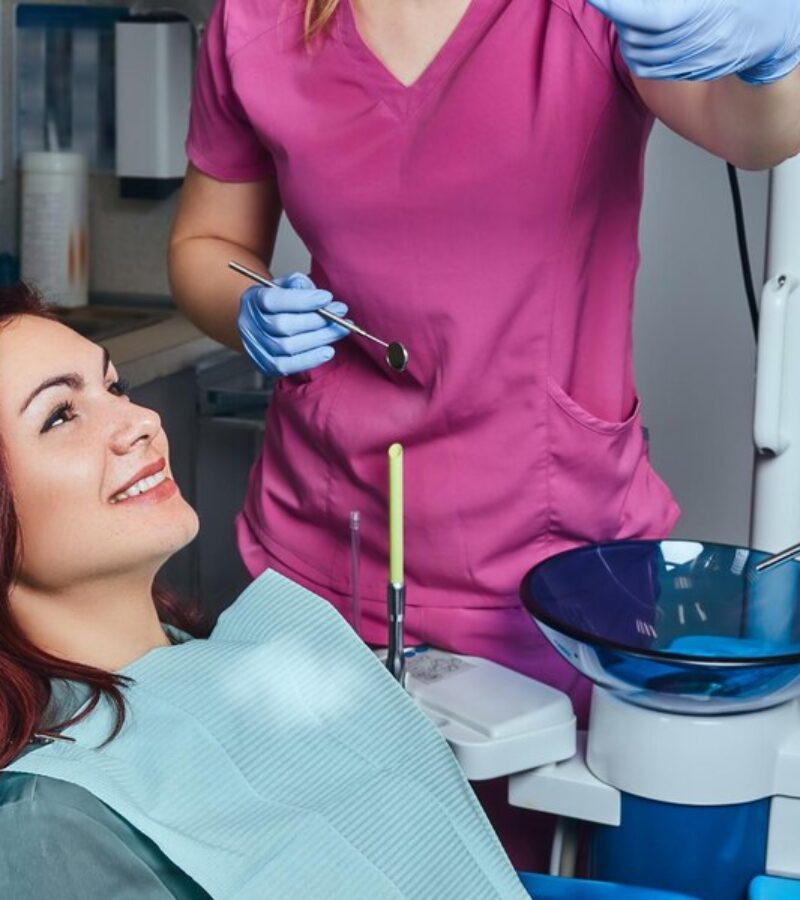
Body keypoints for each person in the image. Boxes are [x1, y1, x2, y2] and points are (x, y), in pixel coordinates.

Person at [167, 0, 800, 867]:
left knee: (528, 870)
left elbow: (753, 134)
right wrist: (244, 304)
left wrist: (776, 63)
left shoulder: (581, 12)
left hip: (548, 570)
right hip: (326, 550)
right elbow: (207, 240)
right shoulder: (260, 20)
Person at [0, 284, 530, 898]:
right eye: (60, 415)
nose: (141, 422)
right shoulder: (56, 821)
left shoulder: (264, 666)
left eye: (114, 386)